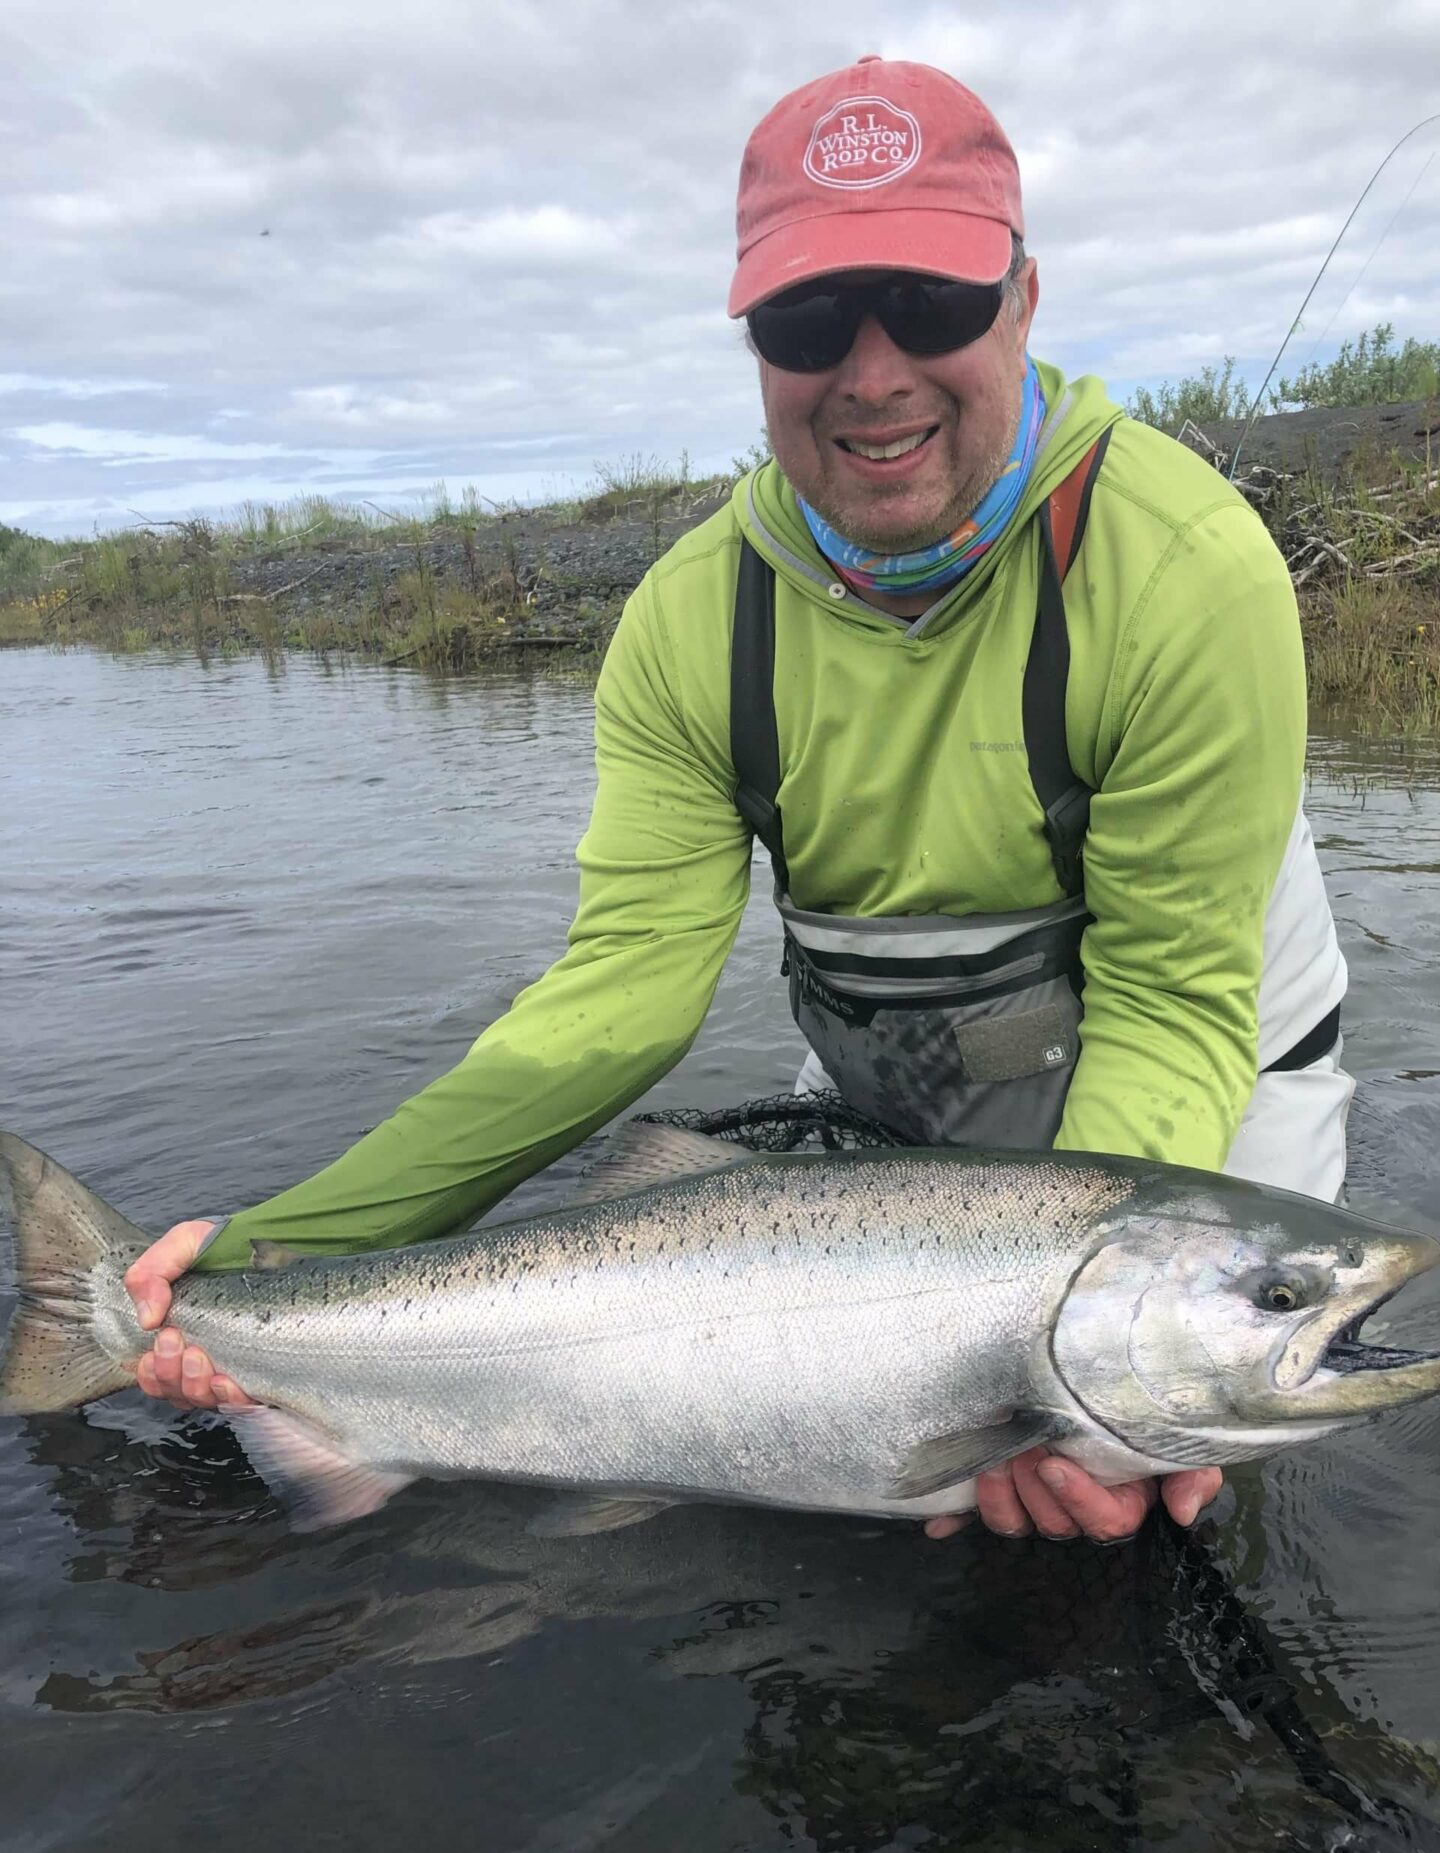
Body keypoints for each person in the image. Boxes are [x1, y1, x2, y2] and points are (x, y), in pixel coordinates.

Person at [124, 55, 1351, 1547]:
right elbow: (618, 1005)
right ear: (758, 346)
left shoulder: (1182, 568)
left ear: (1025, 301)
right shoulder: (691, 622)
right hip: (936, 1133)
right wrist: (274, 1256)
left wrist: (1080, 1372)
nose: (876, 371)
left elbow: (1169, 998)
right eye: (812, 320)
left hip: (1198, 1078)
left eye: (938, 304)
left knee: (1197, 1425)